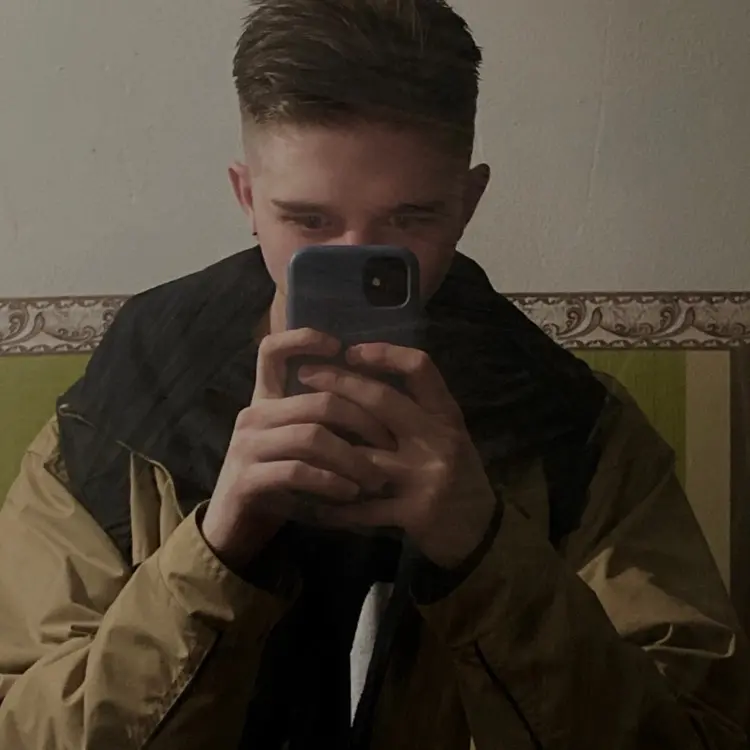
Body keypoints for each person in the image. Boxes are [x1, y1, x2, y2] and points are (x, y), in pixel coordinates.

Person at [0, 0, 748, 747]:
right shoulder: (119, 412)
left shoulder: (575, 430)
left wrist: (484, 548)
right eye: (311, 221)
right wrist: (215, 553)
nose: (358, 256)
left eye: (409, 219)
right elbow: (23, 726)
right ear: (248, 197)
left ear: (467, 203)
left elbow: (695, 733)